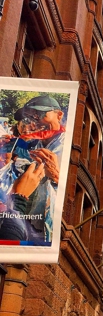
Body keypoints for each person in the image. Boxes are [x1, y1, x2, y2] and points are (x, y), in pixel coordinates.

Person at [0, 95, 65, 243]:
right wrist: (5, 146)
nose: (34, 122)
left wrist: (56, 176)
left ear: (59, 115)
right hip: (24, 223)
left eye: (40, 115)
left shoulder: (67, 144)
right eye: (29, 117)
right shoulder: (33, 144)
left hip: (45, 232)